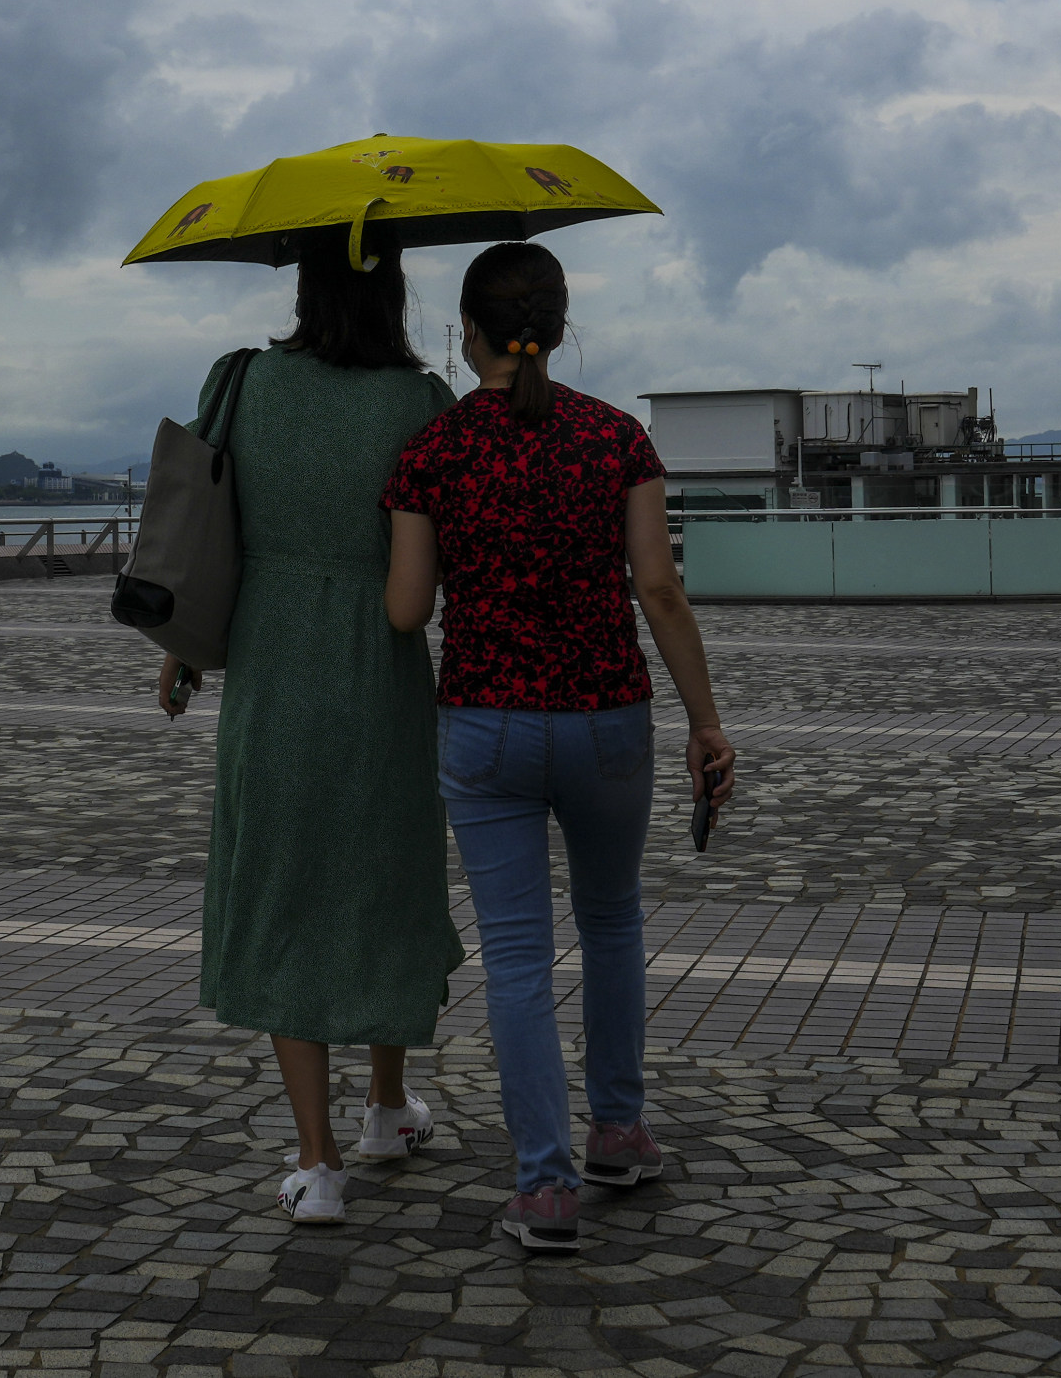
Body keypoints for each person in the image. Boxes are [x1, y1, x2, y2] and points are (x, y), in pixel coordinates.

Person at [383, 238, 736, 1255]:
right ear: (561, 324)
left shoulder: (434, 450)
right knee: (614, 920)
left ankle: (543, 1187)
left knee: (519, 956)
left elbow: (408, 610)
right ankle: (619, 1130)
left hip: (487, 723)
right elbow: (659, 591)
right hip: (607, 718)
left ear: (467, 330)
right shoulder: (616, 437)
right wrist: (707, 719)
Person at [162, 246, 463, 1225]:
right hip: (382, 655)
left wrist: (183, 647)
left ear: (303, 288)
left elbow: (199, 527)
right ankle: (386, 1106)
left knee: (287, 878)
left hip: (272, 655)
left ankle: (316, 1159)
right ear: (391, 294)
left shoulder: (241, 379)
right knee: (379, 873)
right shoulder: (419, 400)